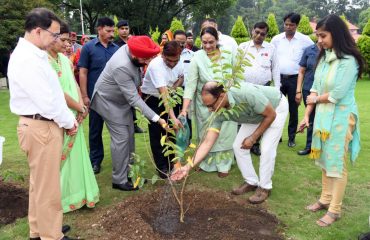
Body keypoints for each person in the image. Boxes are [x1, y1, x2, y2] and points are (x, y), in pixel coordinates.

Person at [8, 8, 78, 240]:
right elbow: (48, 101)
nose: (58, 40)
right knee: (48, 188)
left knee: (39, 185)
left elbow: (53, 93)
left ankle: (40, 230)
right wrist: (69, 122)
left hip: (40, 125)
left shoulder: (32, 54)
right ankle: (51, 235)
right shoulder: (28, 58)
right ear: (38, 31)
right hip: (42, 126)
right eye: (55, 35)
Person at [171, 81, 288, 204]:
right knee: (238, 146)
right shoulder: (217, 113)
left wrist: (253, 138)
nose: (210, 110)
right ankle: (251, 181)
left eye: (211, 105)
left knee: (266, 148)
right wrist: (187, 167)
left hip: (275, 108)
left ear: (221, 96)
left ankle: (265, 187)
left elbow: (270, 115)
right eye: (207, 106)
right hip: (253, 114)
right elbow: (207, 143)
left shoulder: (246, 93)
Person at [298, 14, 364, 227]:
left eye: (323, 36)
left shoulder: (349, 61)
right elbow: (315, 88)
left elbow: (336, 94)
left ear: (336, 34)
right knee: (326, 161)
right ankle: (325, 199)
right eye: (318, 36)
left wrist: (314, 99)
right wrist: (307, 115)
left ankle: (335, 210)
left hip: (342, 118)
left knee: (337, 163)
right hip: (324, 117)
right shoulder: (325, 58)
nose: (319, 40)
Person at [90, 36, 168, 191]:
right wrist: (157, 119)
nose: (147, 63)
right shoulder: (122, 66)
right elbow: (134, 99)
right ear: (134, 56)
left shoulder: (132, 52)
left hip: (121, 100)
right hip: (108, 101)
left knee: (130, 136)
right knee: (121, 139)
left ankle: (132, 173)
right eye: (145, 60)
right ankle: (119, 180)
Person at [47, 21, 99, 213]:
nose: (67, 44)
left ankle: (82, 195)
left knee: (78, 155)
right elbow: (58, 92)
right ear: (51, 38)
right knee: (61, 159)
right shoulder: (45, 63)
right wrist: (78, 107)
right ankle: (62, 198)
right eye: (63, 40)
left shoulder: (66, 60)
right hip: (59, 117)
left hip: (75, 113)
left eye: (69, 41)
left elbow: (74, 84)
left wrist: (82, 107)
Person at [180, 26, 237, 178]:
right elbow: (191, 84)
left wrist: (226, 98)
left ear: (217, 40)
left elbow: (235, 78)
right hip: (204, 104)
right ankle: (203, 162)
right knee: (206, 134)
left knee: (225, 133)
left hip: (225, 102)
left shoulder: (228, 54)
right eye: (204, 42)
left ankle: (223, 164)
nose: (207, 46)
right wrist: (184, 109)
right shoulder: (197, 57)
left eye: (211, 42)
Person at [78, 17, 119, 174]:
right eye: (108, 31)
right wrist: (84, 95)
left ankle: (120, 159)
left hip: (114, 98)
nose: (111, 34)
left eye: (112, 31)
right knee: (95, 131)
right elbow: (83, 72)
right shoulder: (88, 48)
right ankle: (95, 161)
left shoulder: (116, 49)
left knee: (117, 130)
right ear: (99, 29)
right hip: (95, 97)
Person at [141, 41, 184, 178]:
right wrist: (173, 118)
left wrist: (174, 87)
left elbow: (181, 78)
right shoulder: (155, 65)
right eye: (169, 61)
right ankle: (162, 168)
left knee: (170, 133)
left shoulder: (180, 61)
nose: (172, 64)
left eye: (175, 61)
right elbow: (163, 96)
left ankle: (172, 163)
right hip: (153, 100)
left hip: (170, 96)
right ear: (163, 55)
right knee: (158, 133)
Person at [271, 12, 313, 147]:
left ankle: (291, 138)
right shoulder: (276, 39)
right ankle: (277, 137)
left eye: (292, 25)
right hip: (279, 79)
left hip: (295, 79)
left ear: (297, 25)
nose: (288, 27)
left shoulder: (305, 40)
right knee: (277, 109)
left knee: (293, 109)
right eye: (286, 24)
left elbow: (315, 51)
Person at [239, 21, 281, 156]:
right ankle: (240, 142)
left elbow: (275, 69)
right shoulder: (243, 47)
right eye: (256, 32)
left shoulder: (271, 48)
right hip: (245, 88)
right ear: (252, 30)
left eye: (262, 34)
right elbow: (237, 67)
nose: (259, 35)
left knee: (261, 116)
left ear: (266, 35)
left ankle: (255, 143)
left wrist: (277, 88)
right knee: (244, 115)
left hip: (264, 88)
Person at [114, 19, 144, 133]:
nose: (124, 31)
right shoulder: (115, 44)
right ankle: (123, 125)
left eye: (126, 28)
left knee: (132, 100)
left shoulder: (132, 42)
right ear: (118, 30)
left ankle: (134, 125)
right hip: (121, 75)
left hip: (133, 74)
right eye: (122, 29)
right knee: (122, 102)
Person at [295, 42, 320, 155]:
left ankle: (322, 146)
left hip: (324, 91)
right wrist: (298, 90)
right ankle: (309, 146)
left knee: (323, 117)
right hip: (308, 89)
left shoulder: (331, 49)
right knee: (310, 118)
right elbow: (301, 71)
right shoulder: (309, 50)